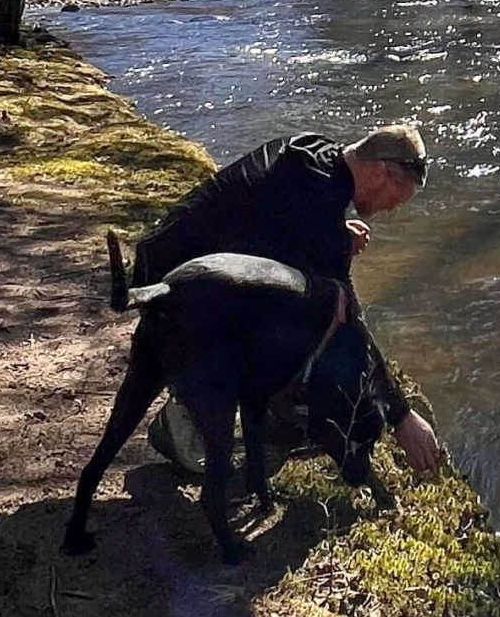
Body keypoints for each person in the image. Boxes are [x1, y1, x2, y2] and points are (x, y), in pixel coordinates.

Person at [115, 121, 444, 477]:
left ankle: (272, 402)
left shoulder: (318, 157)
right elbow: (350, 318)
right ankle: (185, 409)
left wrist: (332, 230)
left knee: (304, 298)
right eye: (397, 199)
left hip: (163, 259)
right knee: (326, 311)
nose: (392, 210)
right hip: (173, 293)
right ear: (381, 172)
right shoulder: (319, 199)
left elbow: (271, 215)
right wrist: (400, 416)